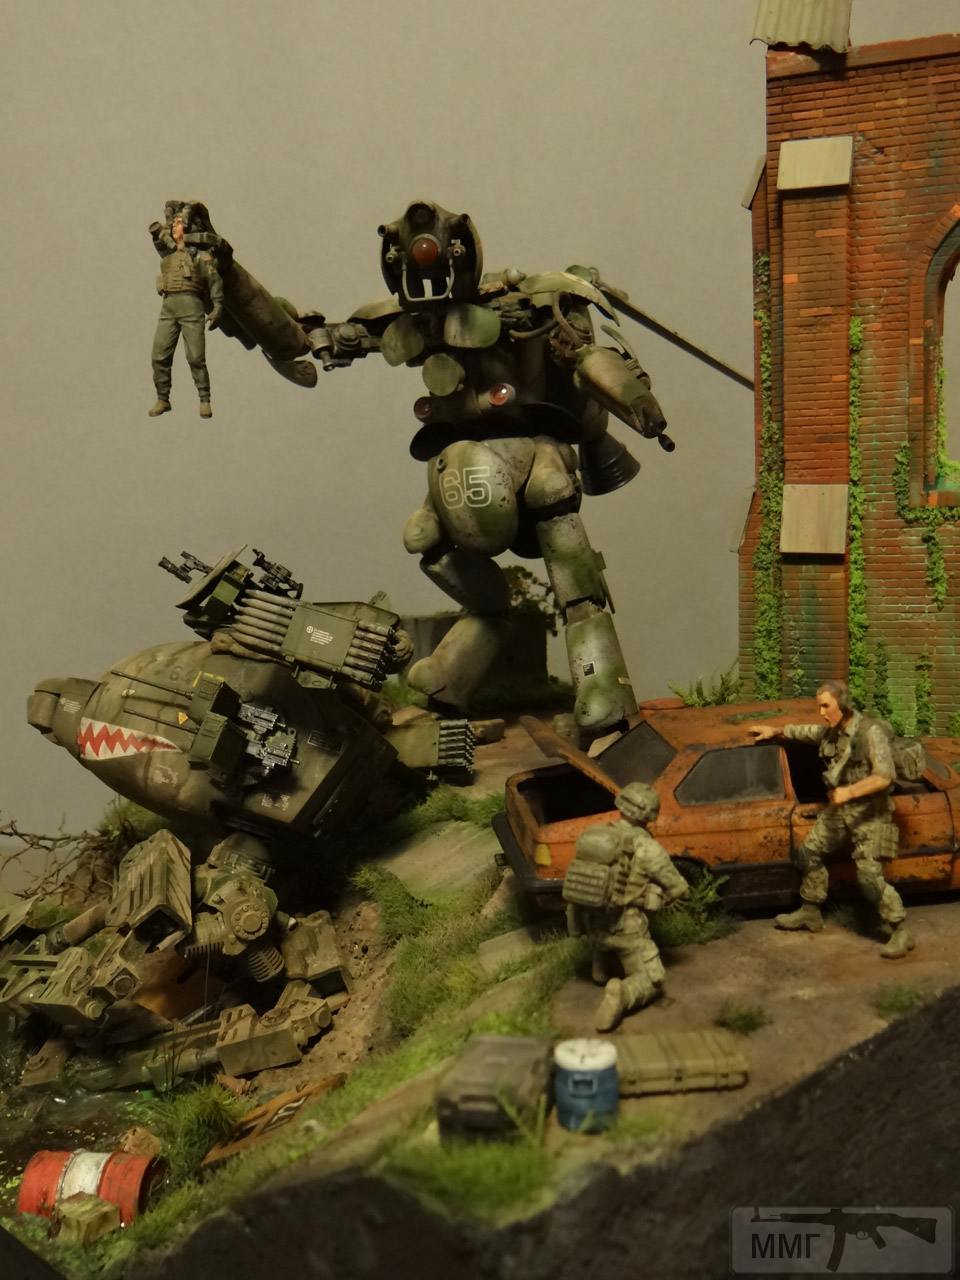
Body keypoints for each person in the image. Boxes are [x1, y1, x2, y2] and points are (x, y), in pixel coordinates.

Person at [750, 680, 914, 959]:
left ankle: (900, 930)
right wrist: (776, 730)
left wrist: (849, 791)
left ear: (844, 705)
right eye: (820, 706)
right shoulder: (835, 732)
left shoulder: (870, 733)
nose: (822, 712)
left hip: (871, 815)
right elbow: (810, 732)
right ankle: (810, 911)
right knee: (808, 853)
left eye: (826, 706)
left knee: (869, 878)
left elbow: (885, 776)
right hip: (841, 811)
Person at [564, 782, 689, 1031]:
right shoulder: (648, 848)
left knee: (603, 934)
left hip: (592, 926)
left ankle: (599, 969)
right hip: (626, 929)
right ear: (650, 815)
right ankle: (623, 995)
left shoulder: (595, 836)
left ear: (621, 804)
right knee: (653, 980)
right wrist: (663, 895)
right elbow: (679, 888)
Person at [148, 204, 223, 418]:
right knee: (159, 356)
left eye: (179, 223)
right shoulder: (168, 253)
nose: (175, 227)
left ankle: (204, 399)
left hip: (191, 306)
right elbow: (158, 240)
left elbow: (214, 281)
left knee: (196, 357)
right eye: (173, 224)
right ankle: (163, 398)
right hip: (169, 307)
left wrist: (217, 307)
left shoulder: (201, 256)